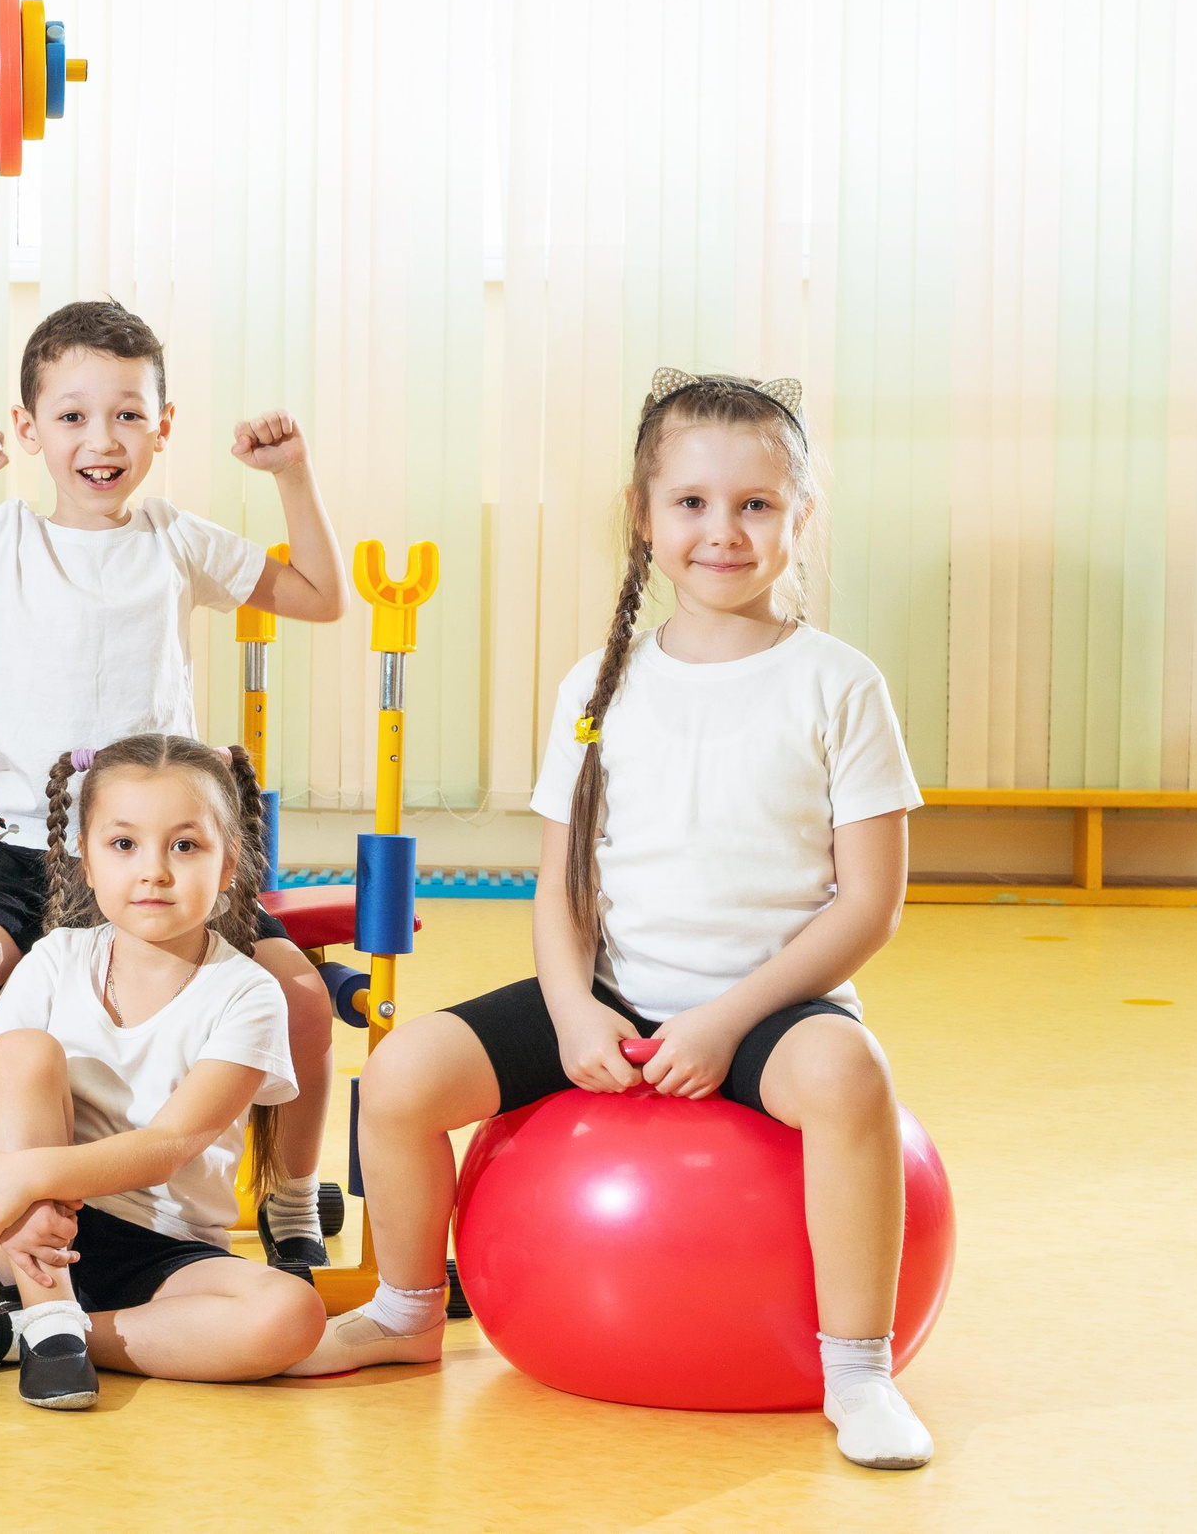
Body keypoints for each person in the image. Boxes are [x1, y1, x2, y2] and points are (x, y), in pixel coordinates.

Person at [290, 370, 935, 1471]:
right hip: (618, 992)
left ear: (799, 519)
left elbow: (868, 903)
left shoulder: (839, 684)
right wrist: (571, 1010)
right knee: (398, 1079)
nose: (721, 532)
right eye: (689, 503)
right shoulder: (598, 683)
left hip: (773, 1003)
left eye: (755, 505)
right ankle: (405, 1312)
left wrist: (729, 1021)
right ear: (642, 517)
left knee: (849, 1081)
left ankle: (858, 1369)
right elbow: (562, 883)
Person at [0, 299, 346, 1310]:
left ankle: (292, 1196)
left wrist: (290, 477)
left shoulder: (176, 541)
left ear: (163, 428)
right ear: (28, 430)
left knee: (303, 996)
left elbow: (319, 593)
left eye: (129, 416)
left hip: (158, 850)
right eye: (72, 417)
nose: (102, 441)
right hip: (22, 849)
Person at [0, 735, 328, 1410]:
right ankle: (47, 1314)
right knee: (22, 1051)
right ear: (84, 858)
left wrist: (24, 1174)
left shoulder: (249, 992)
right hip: (29, 1228)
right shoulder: (56, 959)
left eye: (185, 845)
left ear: (229, 864)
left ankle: (22, 1335)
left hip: (166, 1253)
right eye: (124, 844)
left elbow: (166, 1145)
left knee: (294, 1313)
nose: (154, 872)